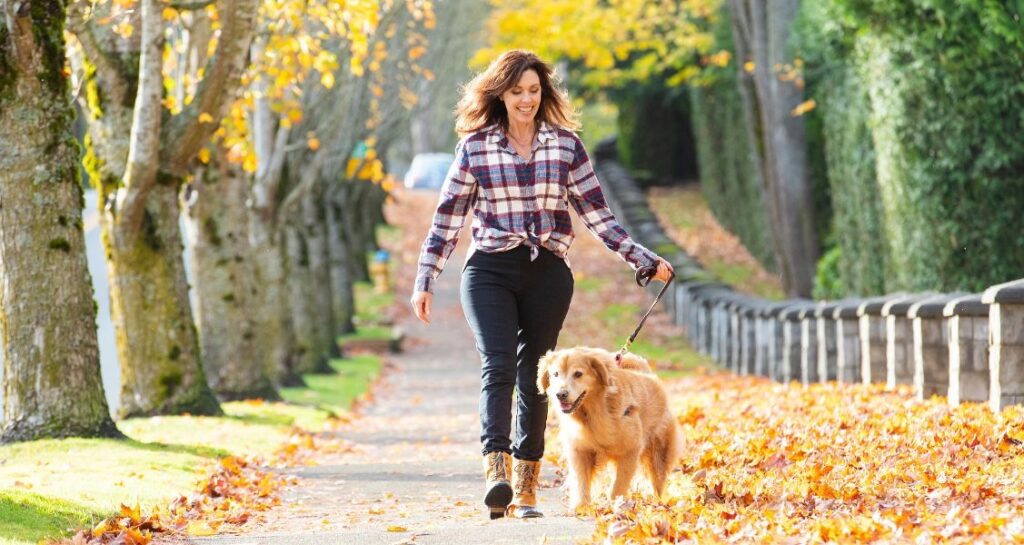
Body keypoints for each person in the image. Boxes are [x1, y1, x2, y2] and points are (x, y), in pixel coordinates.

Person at [409, 49, 673, 520]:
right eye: (517, 92)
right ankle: (498, 474)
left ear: (543, 93)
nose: (526, 100)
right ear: (500, 95)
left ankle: (527, 487)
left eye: (534, 90)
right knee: (498, 366)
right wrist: (425, 277)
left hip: (548, 272)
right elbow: (447, 218)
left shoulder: (566, 145)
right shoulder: (475, 147)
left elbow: (597, 214)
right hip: (489, 268)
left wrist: (643, 258)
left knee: (540, 377)